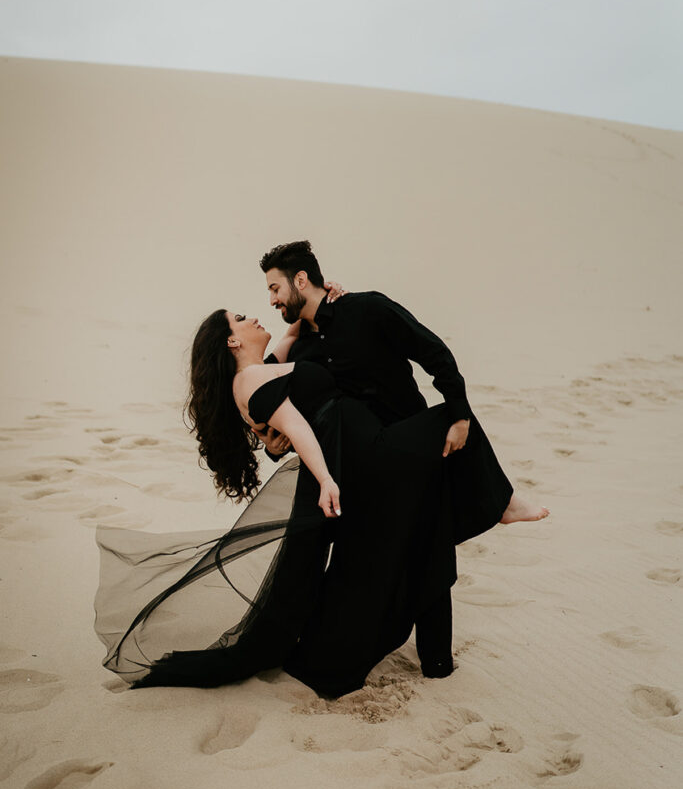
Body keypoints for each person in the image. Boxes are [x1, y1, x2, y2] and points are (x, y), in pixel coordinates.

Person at [95, 302, 547, 696]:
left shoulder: (266, 365)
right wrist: (327, 479)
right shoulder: (250, 380)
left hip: (362, 444)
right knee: (454, 414)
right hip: (363, 453)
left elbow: (294, 334)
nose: (255, 315)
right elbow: (298, 430)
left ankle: (438, 657)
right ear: (231, 342)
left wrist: (324, 298)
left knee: (426, 523)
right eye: (241, 318)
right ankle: (502, 504)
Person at [256, 241, 548, 677]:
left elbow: (434, 353)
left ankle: (437, 661)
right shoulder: (305, 349)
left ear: (301, 280)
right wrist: (271, 443)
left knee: (431, 547)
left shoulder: (368, 309)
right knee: (378, 562)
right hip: (366, 469)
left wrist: (461, 415)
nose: (272, 299)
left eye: (276, 288)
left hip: (414, 449)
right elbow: (282, 408)